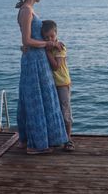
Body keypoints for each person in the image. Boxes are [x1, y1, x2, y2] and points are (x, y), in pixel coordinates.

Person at [16, 0, 68, 154]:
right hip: (34, 61)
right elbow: (27, 40)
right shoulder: (26, 11)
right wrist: (48, 44)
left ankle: (27, 140)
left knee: (36, 98)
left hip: (37, 59)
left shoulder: (30, 11)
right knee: (36, 100)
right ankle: (35, 145)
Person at [41, 20, 75, 151]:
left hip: (62, 83)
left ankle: (68, 139)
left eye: (52, 37)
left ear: (56, 34)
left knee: (65, 110)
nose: (50, 39)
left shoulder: (60, 48)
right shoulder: (47, 46)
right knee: (54, 110)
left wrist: (49, 52)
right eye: (46, 38)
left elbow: (56, 67)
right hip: (51, 83)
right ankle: (57, 137)